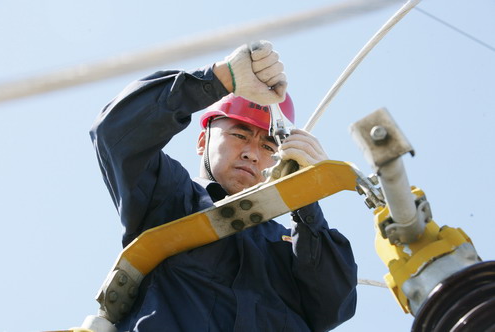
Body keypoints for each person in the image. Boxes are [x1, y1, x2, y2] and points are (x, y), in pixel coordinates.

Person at [90, 40, 357, 332]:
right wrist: (218, 79)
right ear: (203, 141)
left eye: (268, 146)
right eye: (239, 135)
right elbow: (116, 132)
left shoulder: (295, 245)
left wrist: (307, 194)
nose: (252, 153)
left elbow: (334, 307)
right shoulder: (170, 199)